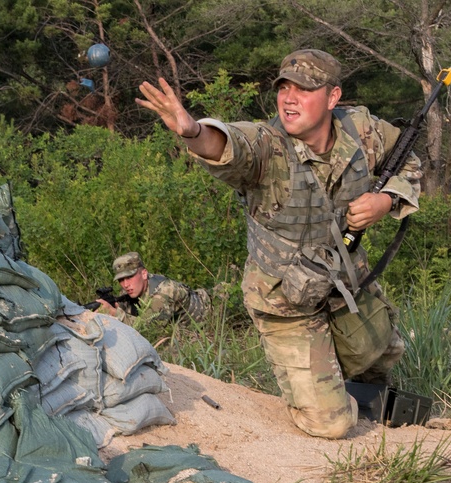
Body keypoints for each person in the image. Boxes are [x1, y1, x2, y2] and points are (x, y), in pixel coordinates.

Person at [136, 49, 421, 438]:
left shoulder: (362, 130)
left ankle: (344, 376)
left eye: (303, 89)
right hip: (284, 299)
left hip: (342, 280)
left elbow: (408, 158)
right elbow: (229, 144)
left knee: (382, 351)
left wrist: (385, 201)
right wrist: (192, 131)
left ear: (333, 97)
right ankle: (326, 389)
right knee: (332, 424)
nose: (289, 98)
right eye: (283, 88)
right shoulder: (268, 145)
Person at [95, 251, 211, 326]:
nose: (125, 284)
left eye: (129, 277)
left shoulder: (163, 292)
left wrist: (114, 313)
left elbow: (148, 330)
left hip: (213, 310)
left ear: (144, 274)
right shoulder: (130, 291)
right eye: (121, 280)